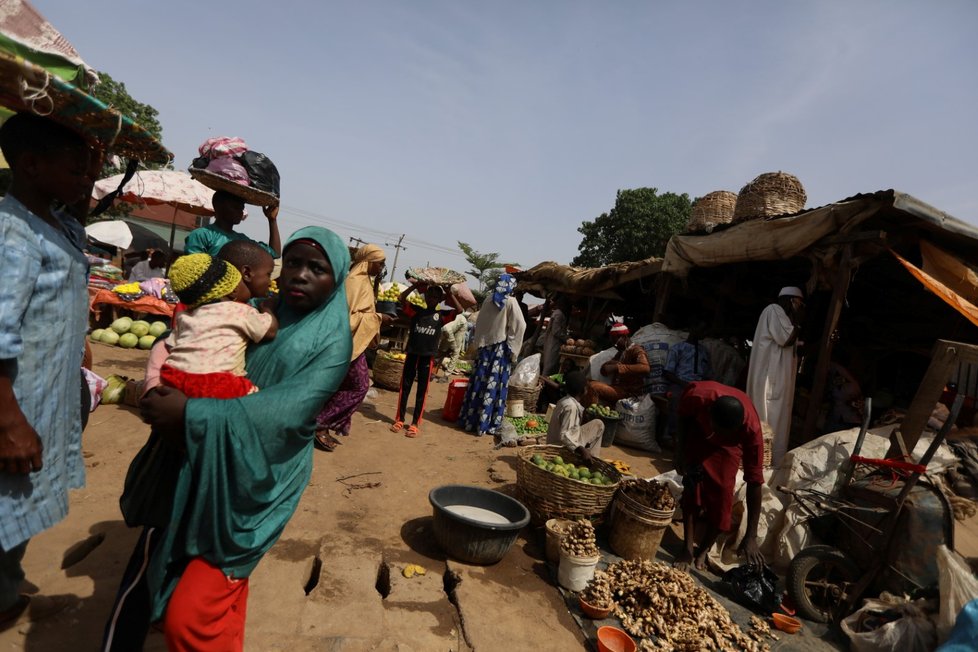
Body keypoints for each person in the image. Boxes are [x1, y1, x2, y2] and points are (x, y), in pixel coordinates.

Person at [107, 227, 352, 651]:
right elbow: (183, 337)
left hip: (261, 479)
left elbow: (286, 411)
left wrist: (191, 413)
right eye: (292, 263)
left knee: (188, 617)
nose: (299, 275)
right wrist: (155, 385)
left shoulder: (332, 342)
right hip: (198, 458)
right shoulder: (253, 308)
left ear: (338, 279)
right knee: (210, 594)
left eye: (317, 268)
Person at [0, 113, 95, 628]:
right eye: (75, 168)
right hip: (15, 405)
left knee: (17, 510)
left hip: (42, 398)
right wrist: (9, 420)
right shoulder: (11, 230)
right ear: (32, 165)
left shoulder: (58, 224)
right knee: (3, 510)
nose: (86, 177)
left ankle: (7, 595)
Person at [673, 381, 765, 572]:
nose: (715, 434)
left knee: (723, 495)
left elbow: (755, 481)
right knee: (693, 484)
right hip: (698, 432)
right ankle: (687, 548)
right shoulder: (698, 396)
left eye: (719, 432)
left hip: (729, 447)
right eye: (714, 428)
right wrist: (680, 452)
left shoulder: (751, 431)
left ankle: (704, 550)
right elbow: (682, 417)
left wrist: (751, 536)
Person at [161, 253, 278, 399]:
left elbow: (172, 345)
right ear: (233, 290)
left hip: (173, 374)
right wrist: (268, 309)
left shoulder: (184, 316)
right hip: (217, 382)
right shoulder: (240, 311)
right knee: (254, 402)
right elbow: (269, 331)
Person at [314, 243, 391, 451]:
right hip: (345, 345)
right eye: (380, 263)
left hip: (353, 345)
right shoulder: (354, 283)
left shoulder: (365, 282)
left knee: (340, 386)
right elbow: (346, 319)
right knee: (359, 386)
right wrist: (378, 318)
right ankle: (320, 423)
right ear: (369, 262)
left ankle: (322, 426)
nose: (382, 267)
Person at [458, 274, 527, 437]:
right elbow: (520, 326)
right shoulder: (510, 301)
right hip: (499, 351)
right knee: (494, 387)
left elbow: (479, 325)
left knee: (479, 385)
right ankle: (487, 424)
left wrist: (480, 343)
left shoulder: (489, 299)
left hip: (484, 350)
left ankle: (471, 422)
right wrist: (512, 348)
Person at [746, 286, 804, 466]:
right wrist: (799, 322)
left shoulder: (783, 319)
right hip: (769, 380)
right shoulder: (774, 310)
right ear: (790, 301)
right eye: (798, 304)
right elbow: (786, 339)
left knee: (776, 423)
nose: (799, 308)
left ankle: (769, 464)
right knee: (767, 420)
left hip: (777, 381)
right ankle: (759, 464)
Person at [391, 283, 451, 438]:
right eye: (430, 296)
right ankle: (399, 419)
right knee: (405, 387)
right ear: (425, 297)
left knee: (421, 391)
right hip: (412, 354)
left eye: (436, 297)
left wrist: (449, 291)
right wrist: (416, 285)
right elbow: (401, 298)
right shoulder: (416, 311)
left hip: (427, 357)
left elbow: (459, 310)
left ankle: (415, 423)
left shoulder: (442, 316)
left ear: (439, 299)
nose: (432, 299)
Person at [184, 190, 281, 258]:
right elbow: (193, 270)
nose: (241, 212)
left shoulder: (242, 240)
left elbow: (274, 253)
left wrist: (272, 220)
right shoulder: (202, 235)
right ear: (219, 206)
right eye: (236, 207)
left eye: (242, 208)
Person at [663, 321, 714, 442]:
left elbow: (708, 374)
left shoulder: (704, 352)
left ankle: (699, 439)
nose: (704, 333)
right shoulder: (677, 348)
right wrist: (684, 384)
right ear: (693, 328)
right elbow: (668, 372)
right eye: (702, 329)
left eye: (705, 331)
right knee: (676, 398)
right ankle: (673, 435)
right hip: (680, 384)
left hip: (700, 386)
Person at [586, 323, 651, 407]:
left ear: (624, 337)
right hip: (618, 388)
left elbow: (645, 368)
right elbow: (604, 370)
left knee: (593, 387)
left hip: (629, 392)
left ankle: (590, 414)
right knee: (586, 383)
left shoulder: (636, 350)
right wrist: (607, 366)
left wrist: (618, 367)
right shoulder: (621, 352)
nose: (614, 345)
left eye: (615, 342)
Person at [546, 370, 604, 460]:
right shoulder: (571, 407)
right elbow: (564, 436)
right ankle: (590, 459)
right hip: (559, 448)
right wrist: (581, 449)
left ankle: (593, 457)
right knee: (598, 425)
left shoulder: (564, 400)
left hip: (563, 440)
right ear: (584, 390)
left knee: (598, 424)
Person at [540, 295, 570, 376]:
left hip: (552, 342)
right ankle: (543, 384)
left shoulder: (557, 313)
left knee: (551, 365)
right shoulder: (559, 314)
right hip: (553, 343)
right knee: (549, 366)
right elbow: (556, 331)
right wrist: (566, 338)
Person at [437, 307, 469, 379]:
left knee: (455, 351)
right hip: (450, 329)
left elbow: (446, 329)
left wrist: (453, 345)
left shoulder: (447, 325)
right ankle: (433, 370)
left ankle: (446, 375)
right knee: (442, 350)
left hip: (461, 325)